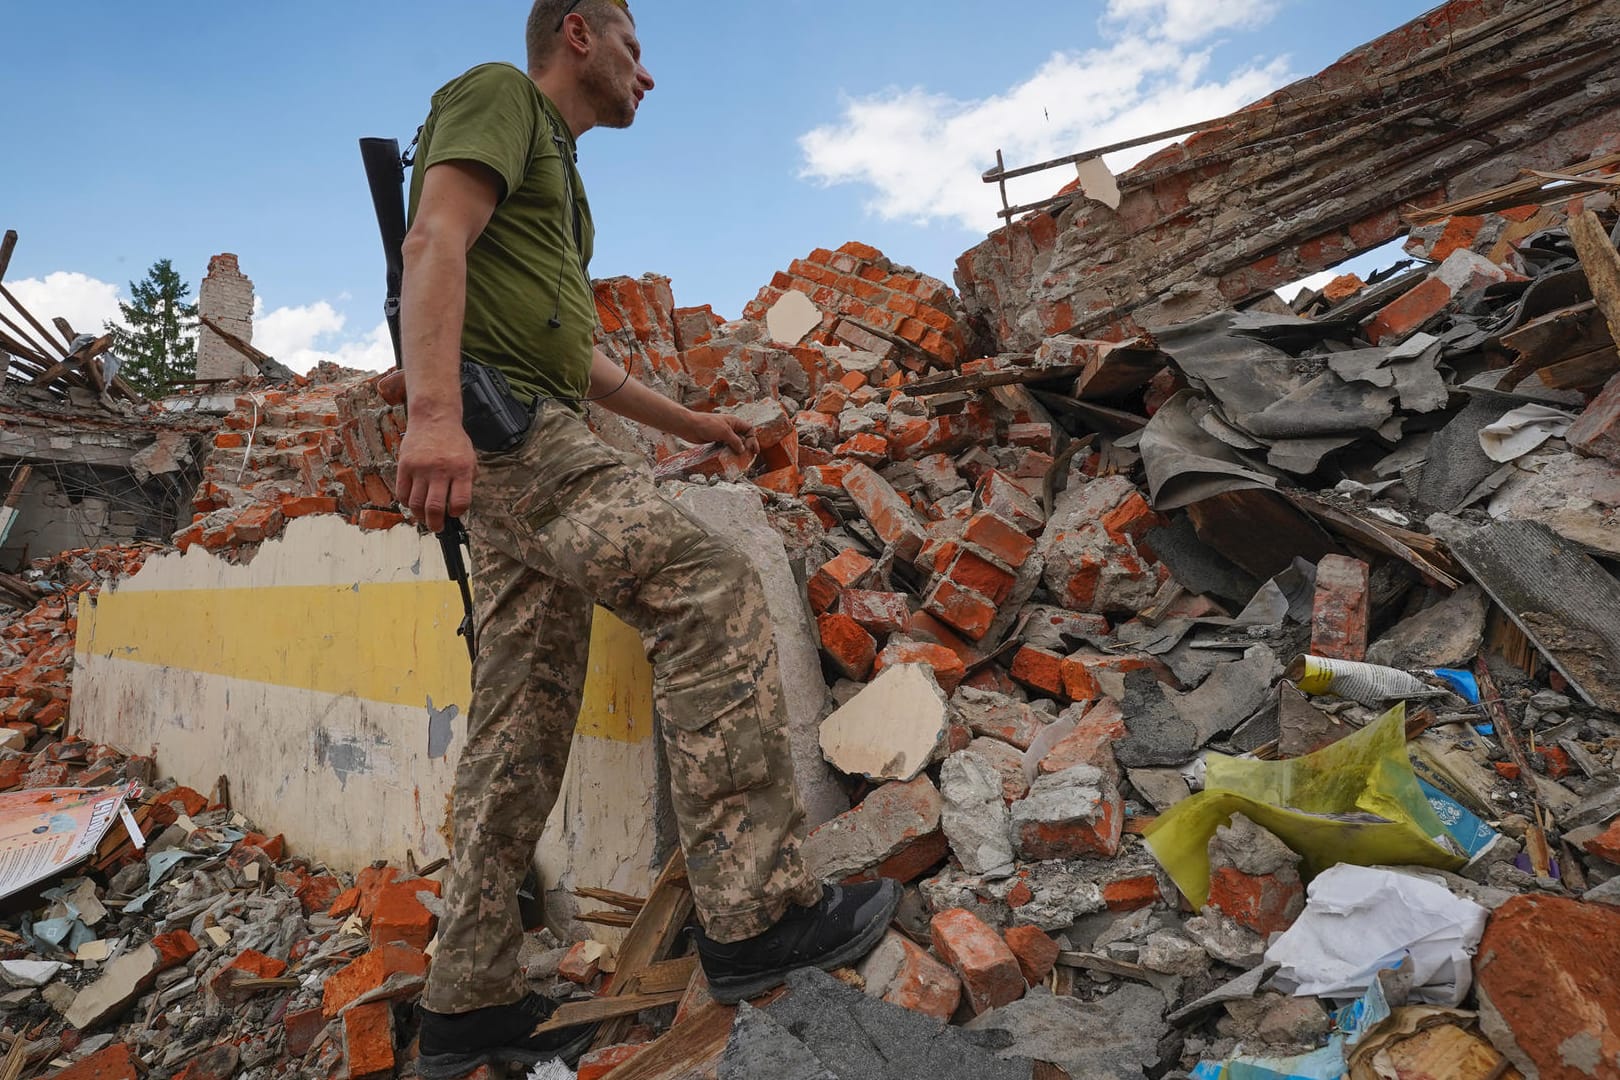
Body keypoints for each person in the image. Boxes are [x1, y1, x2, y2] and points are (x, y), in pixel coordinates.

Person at [394, 2, 900, 1076]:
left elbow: (573, 352)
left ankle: (465, 997)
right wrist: (434, 414)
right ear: (578, 32)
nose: (648, 74)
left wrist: (690, 421)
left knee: (519, 717)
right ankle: (756, 915)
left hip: (525, 426)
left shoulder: (561, 181)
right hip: (510, 433)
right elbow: (432, 237)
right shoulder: (501, 95)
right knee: (707, 589)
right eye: (635, 44)